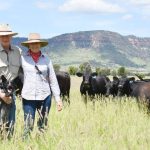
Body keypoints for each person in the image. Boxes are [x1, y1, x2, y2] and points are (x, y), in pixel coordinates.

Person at [21, 33, 63, 137]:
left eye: (37, 43)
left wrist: (58, 99)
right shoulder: (22, 58)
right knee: (28, 125)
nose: (35, 45)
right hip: (28, 96)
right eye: (32, 43)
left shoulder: (47, 60)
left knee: (43, 124)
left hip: (45, 96)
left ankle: (41, 145)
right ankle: (26, 145)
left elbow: (53, 80)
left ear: (40, 45)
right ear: (29, 45)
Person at [0, 24, 21, 137]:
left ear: (11, 37)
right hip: (0, 90)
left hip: (11, 91)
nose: (5, 38)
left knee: (10, 123)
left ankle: (8, 145)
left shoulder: (18, 51)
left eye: (7, 35)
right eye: (2, 36)